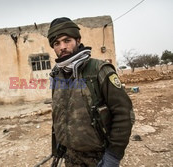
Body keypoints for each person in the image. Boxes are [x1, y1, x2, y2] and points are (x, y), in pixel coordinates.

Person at [48, 17, 135, 167]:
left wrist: (113, 156)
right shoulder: (57, 75)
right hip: (71, 157)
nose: (62, 47)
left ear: (78, 40)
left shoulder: (99, 71)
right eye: (57, 43)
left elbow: (124, 113)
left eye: (67, 40)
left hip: (99, 158)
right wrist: (59, 145)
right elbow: (59, 113)